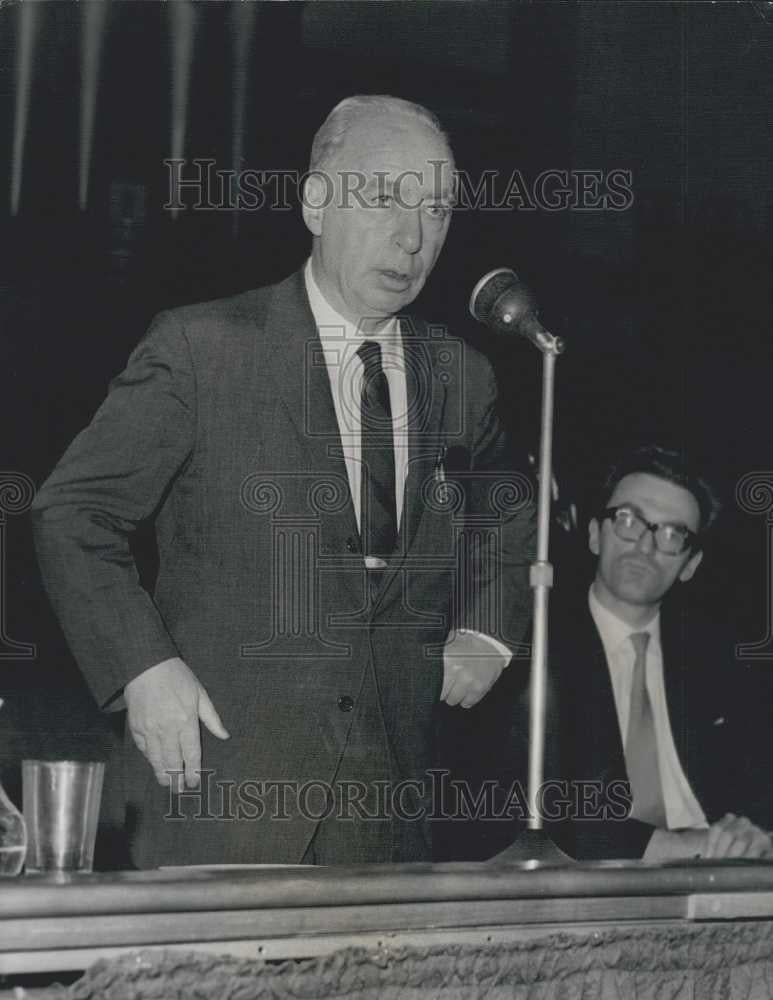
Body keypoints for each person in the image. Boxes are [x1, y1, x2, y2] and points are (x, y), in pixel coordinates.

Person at [31, 95, 536, 867]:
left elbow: (508, 505)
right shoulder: (202, 349)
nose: (412, 237)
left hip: (386, 819)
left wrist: (490, 624)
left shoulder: (462, 378)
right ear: (314, 201)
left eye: (436, 209)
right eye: (384, 197)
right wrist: (142, 666)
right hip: (216, 795)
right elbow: (73, 513)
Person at [550, 444, 771, 862]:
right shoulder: (537, 653)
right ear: (595, 534)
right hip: (590, 886)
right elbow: (540, 808)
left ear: (690, 564)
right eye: (629, 520)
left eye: (672, 534)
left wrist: (757, 834)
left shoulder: (724, 664)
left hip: (720, 882)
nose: (646, 546)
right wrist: (682, 847)